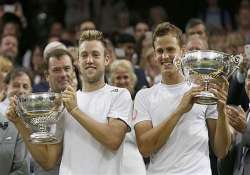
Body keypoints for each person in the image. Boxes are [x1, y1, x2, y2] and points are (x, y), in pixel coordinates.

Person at [6, 30, 132, 175]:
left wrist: (75, 110)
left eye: (95, 55)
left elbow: (113, 140)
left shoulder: (120, 95)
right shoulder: (64, 102)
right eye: (84, 55)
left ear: (107, 59)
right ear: (78, 62)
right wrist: (19, 123)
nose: (89, 60)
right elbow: (48, 161)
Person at [132, 22, 231, 175]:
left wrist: (222, 111)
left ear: (183, 52)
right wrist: (179, 110)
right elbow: (145, 148)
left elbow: (221, 151)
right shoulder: (144, 96)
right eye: (160, 51)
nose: (165, 56)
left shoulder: (203, 91)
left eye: (170, 49)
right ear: (154, 55)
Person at [110, 59, 146, 174]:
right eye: (118, 78)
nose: (122, 81)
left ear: (133, 80)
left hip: (134, 163)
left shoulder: (141, 105)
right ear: (112, 82)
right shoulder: (106, 106)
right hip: (109, 161)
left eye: (125, 77)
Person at [0, 68, 32, 175]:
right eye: (16, 85)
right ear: (5, 87)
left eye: (25, 86)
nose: (21, 90)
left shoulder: (37, 117)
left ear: (31, 91)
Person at [219, 68, 250, 175]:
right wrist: (228, 144)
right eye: (249, 78)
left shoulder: (242, 123)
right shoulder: (243, 116)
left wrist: (245, 130)